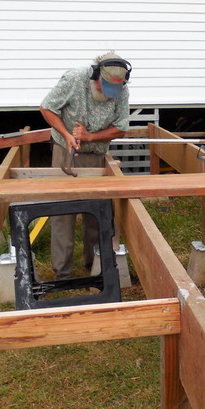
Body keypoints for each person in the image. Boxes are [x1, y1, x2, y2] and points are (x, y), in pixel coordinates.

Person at [39, 52, 131, 280]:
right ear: (95, 75)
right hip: (66, 151)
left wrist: (90, 137)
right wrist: (67, 135)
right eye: (103, 87)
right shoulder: (74, 80)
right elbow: (47, 108)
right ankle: (62, 273)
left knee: (97, 212)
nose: (106, 93)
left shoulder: (121, 90)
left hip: (96, 153)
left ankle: (94, 264)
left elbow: (121, 127)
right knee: (63, 213)